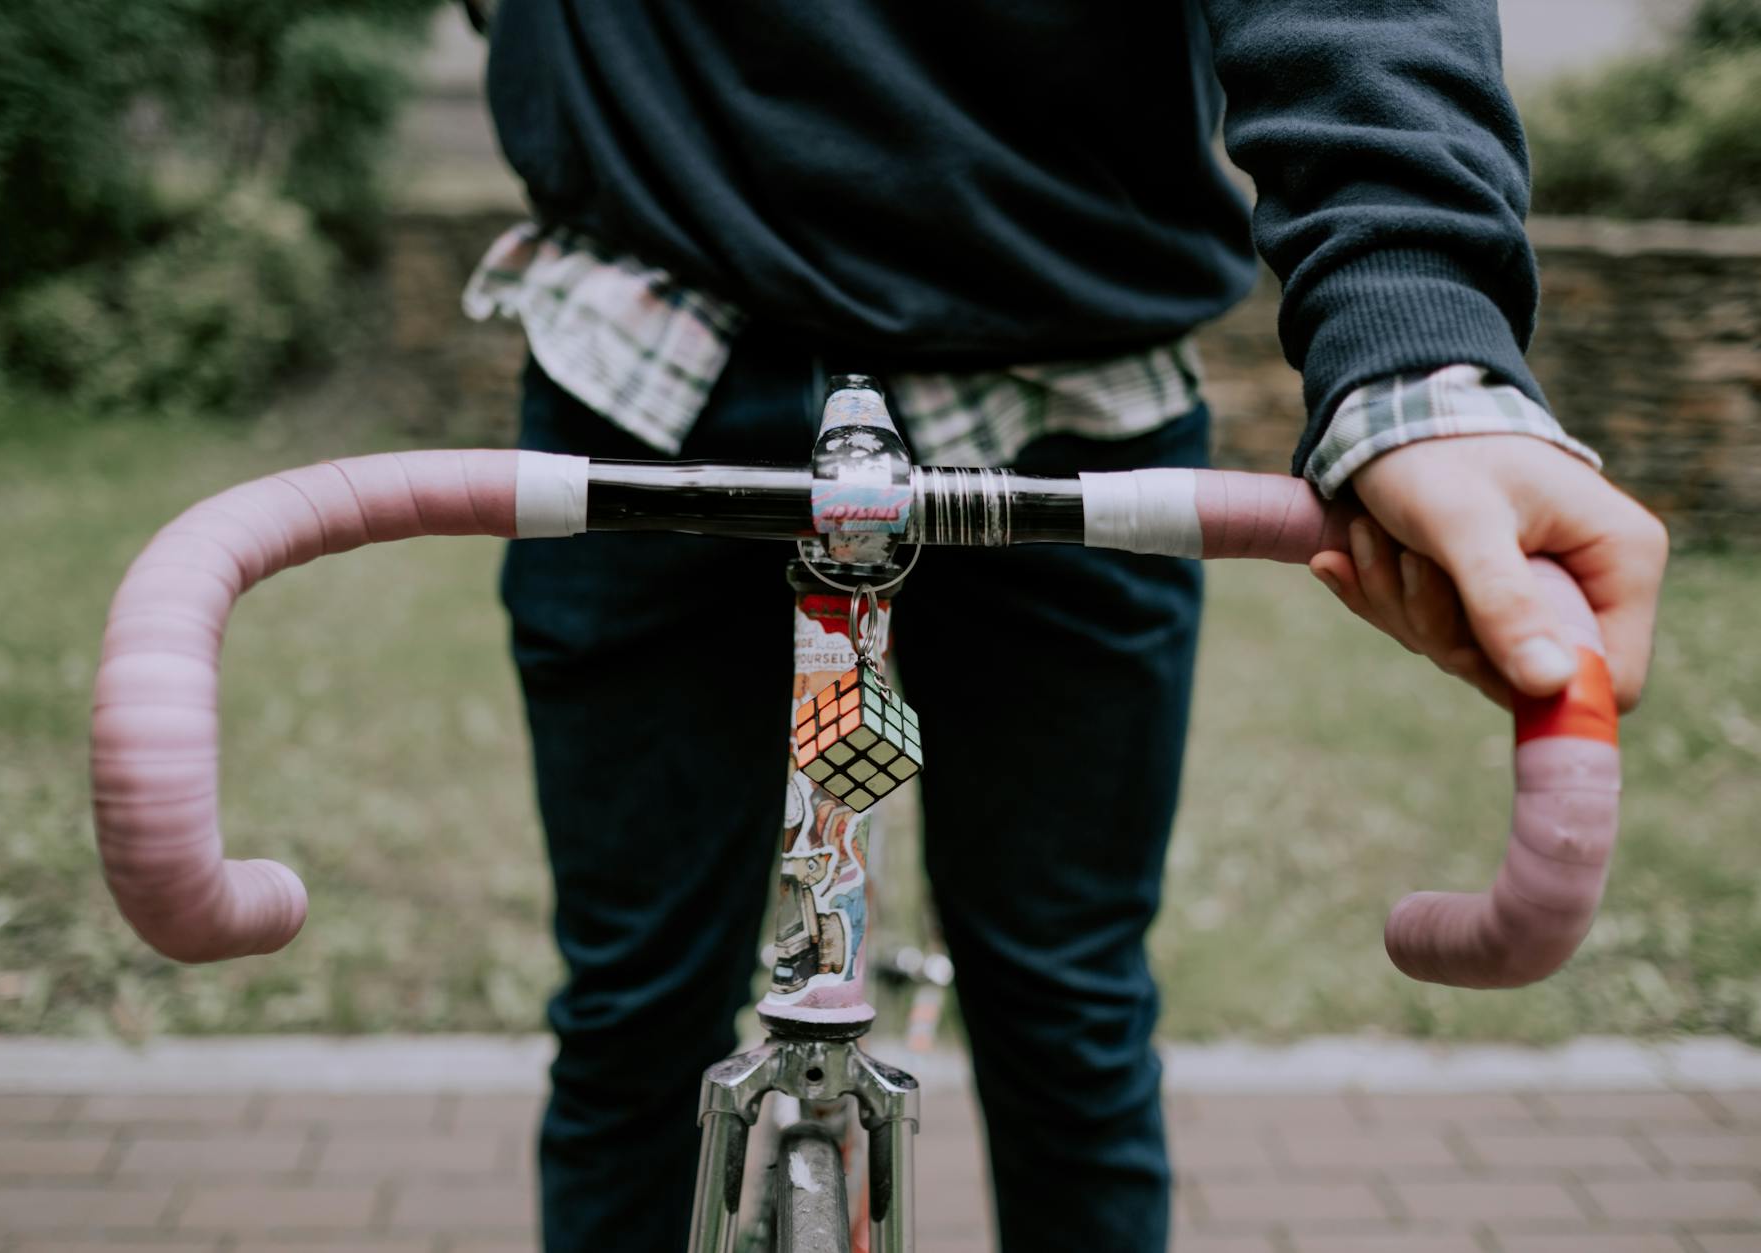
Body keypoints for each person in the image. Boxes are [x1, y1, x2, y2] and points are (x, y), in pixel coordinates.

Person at [463, 4, 1669, 1250]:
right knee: (632, 1017)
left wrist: (1414, 341)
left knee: (1070, 1019)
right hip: (644, 357)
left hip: (1071, 377)